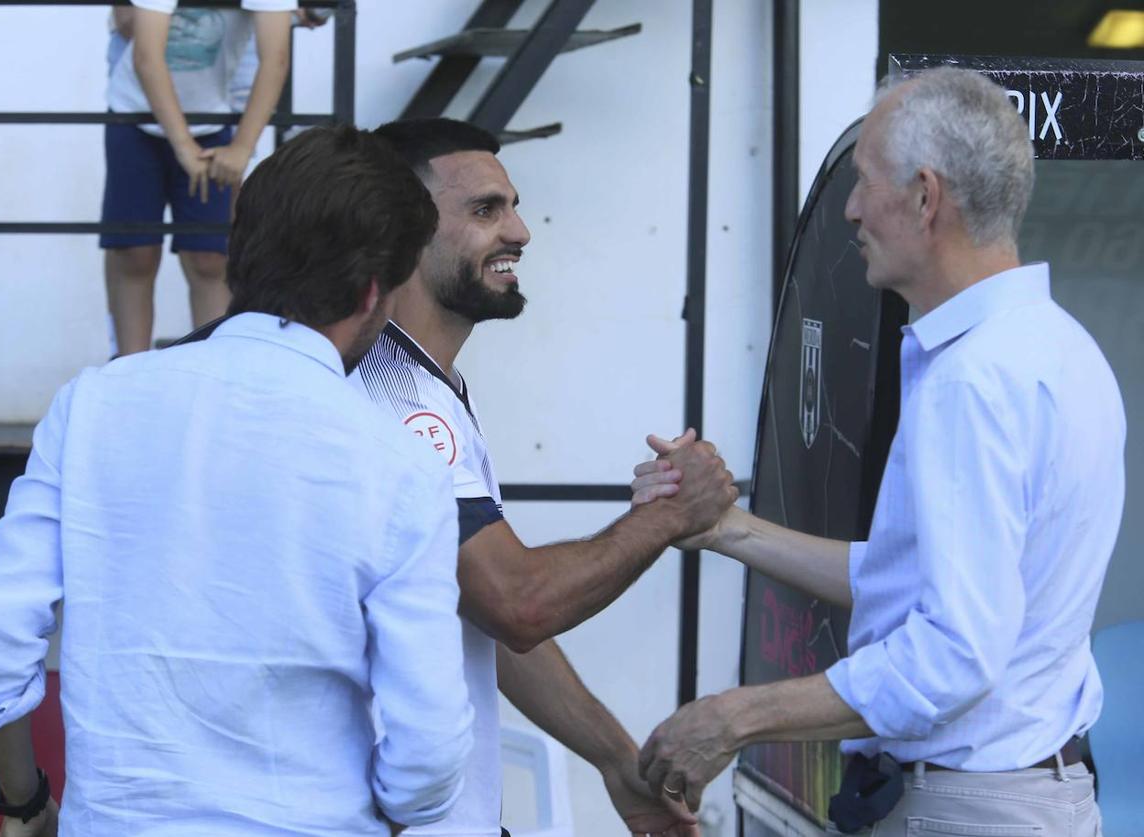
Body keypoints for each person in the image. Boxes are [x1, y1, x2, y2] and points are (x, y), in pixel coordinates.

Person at [630, 67, 1123, 834]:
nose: (852, 210)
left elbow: (954, 652)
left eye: (863, 182)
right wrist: (725, 526)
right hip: (1017, 797)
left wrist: (735, 716)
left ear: (926, 198)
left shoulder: (975, 378)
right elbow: (909, 581)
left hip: (969, 806)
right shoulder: (1059, 346)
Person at [0, 125, 474, 837]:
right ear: (372, 290)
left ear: (241, 250)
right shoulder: (405, 465)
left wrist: (23, 801)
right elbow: (430, 755)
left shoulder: (93, 405)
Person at [359, 118, 739, 837]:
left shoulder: (426, 383)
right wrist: (668, 514)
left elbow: (475, 610)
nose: (521, 231)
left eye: (513, 205)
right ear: (398, 230)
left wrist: (616, 759)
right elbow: (515, 602)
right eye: (485, 210)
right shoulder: (396, 398)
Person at [101, 0, 293, 355]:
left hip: (212, 118)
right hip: (135, 116)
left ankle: (212, 369)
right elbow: (146, 56)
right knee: (134, 252)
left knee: (210, 257)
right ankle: (128, 370)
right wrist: (184, 144)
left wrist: (242, 147)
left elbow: (276, 57)